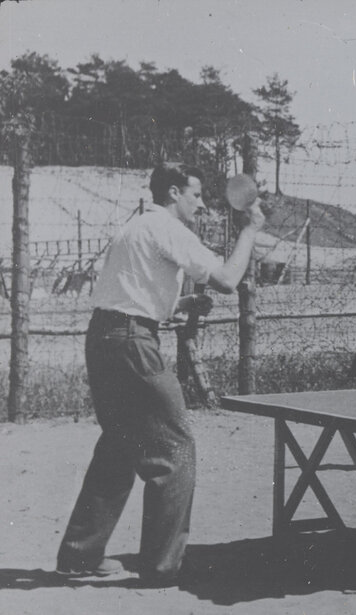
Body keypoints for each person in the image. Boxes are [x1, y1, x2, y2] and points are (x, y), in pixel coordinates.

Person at [56, 163, 266, 585]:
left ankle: (79, 556)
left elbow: (130, 295)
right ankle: (161, 567)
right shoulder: (168, 228)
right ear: (173, 193)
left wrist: (181, 305)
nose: (202, 203)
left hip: (106, 338)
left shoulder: (133, 227)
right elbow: (226, 279)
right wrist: (249, 231)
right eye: (196, 195)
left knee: (119, 445)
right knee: (174, 447)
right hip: (134, 343)